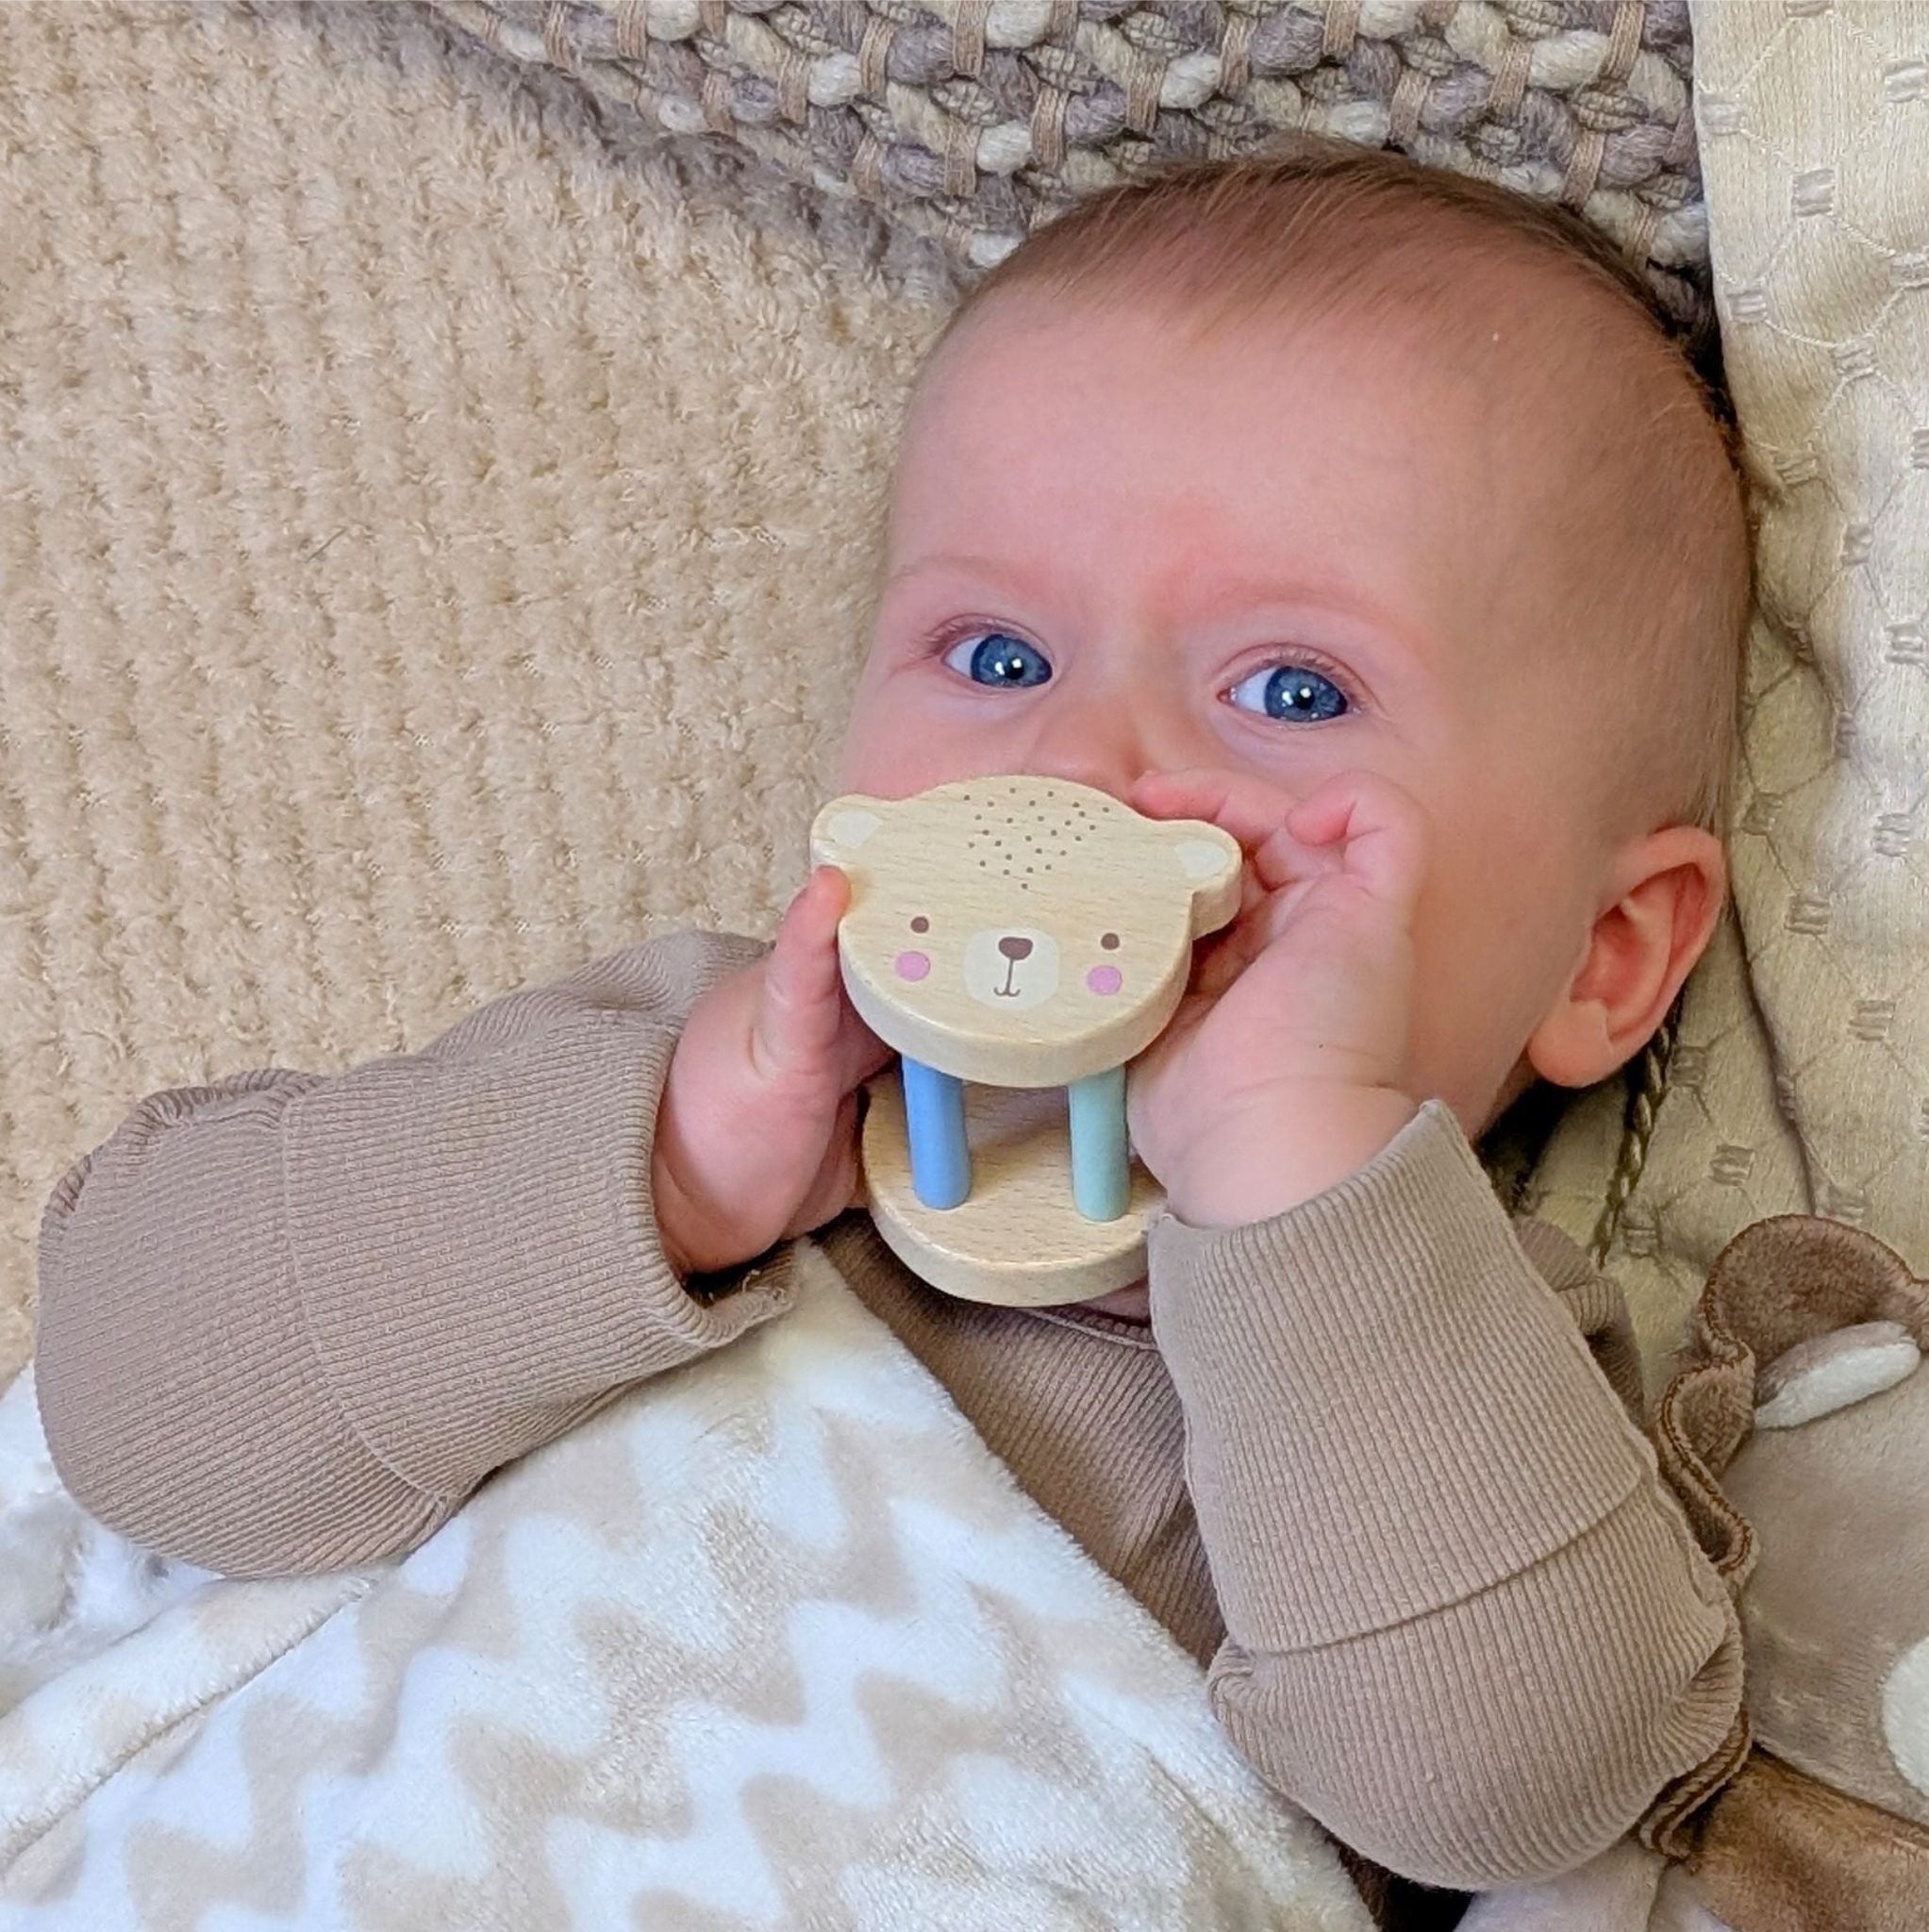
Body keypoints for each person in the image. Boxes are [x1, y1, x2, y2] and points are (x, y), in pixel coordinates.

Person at [35, 142, 1754, 1928]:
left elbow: (1516, 1796)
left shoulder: (1466, 1370)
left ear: (1603, 957)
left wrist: (1292, 1173)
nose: (1076, 769)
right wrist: (681, 1164)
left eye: (1293, 690)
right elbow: (137, 1415)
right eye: (999, 659)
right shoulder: (679, 1078)